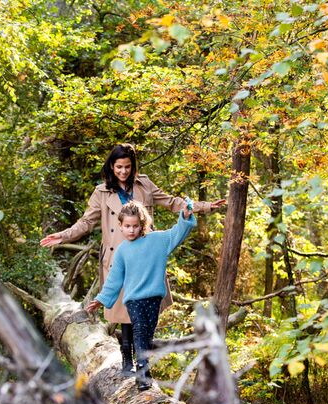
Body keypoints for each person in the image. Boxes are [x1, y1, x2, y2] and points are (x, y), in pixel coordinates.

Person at [40, 143, 225, 374]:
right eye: (118, 167)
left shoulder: (144, 185)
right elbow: (86, 222)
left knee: (142, 313)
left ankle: (142, 364)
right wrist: (63, 235)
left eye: (127, 167)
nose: (123, 172)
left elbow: (172, 202)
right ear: (111, 166)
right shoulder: (101, 192)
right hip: (118, 258)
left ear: (133, 166)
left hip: (145, 259)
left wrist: (203, 206)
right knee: (123, 313)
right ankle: (127, 357)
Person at [85, 200, 196, 391]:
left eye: (135, 226)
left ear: (142, 225)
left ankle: (144, 368)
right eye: (127, 226)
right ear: (120, 226)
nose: (131, 230)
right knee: (139, 331)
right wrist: (101, 299)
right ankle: (142, 372)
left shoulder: (157, 240)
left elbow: (177, 233)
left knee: (147, 335)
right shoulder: (122, 251)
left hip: (153, 299)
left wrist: (185, 217)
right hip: (134, 300)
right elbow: (114, 280)